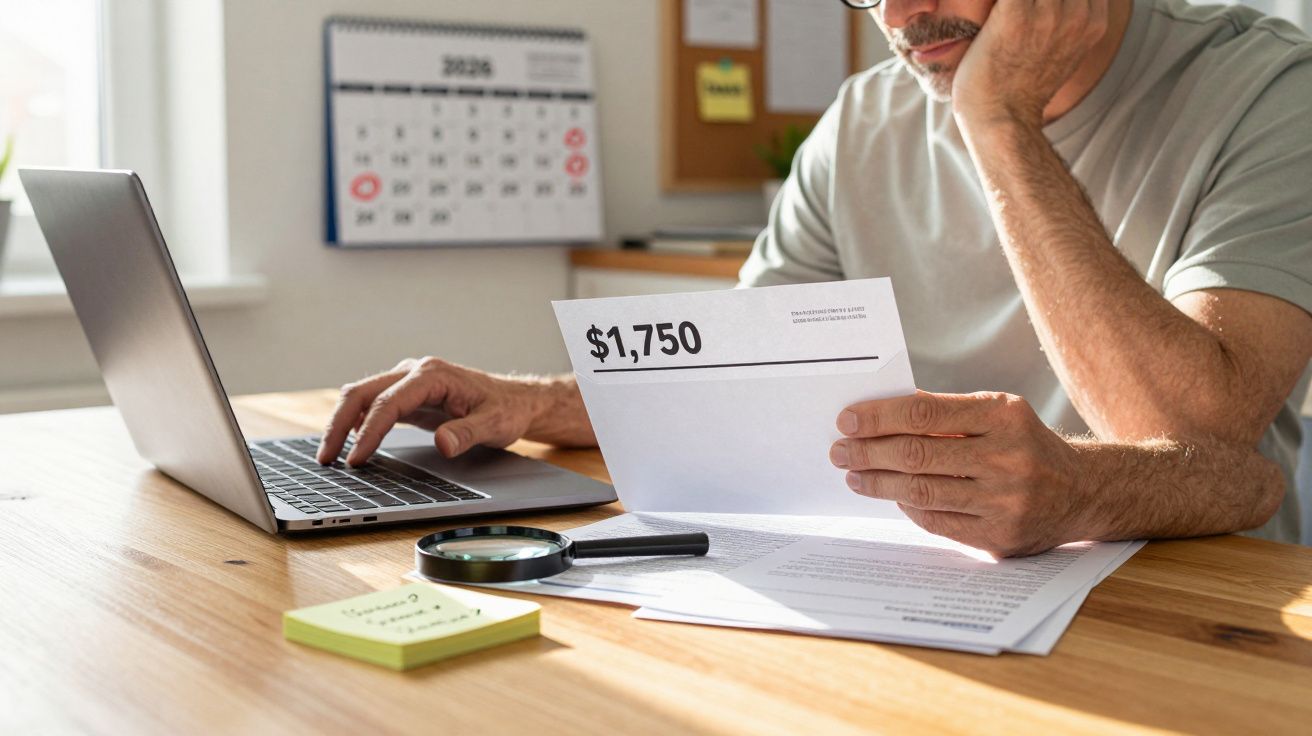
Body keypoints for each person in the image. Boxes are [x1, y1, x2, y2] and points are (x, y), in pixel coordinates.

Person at [319, 0, 1312, 556]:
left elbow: (1196, 437)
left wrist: (997, 121)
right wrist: (522, 401)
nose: (899, 13)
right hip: (927, 589)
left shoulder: (1271, 89)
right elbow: (740, 384)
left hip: (1196, 615)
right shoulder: (861, 119)